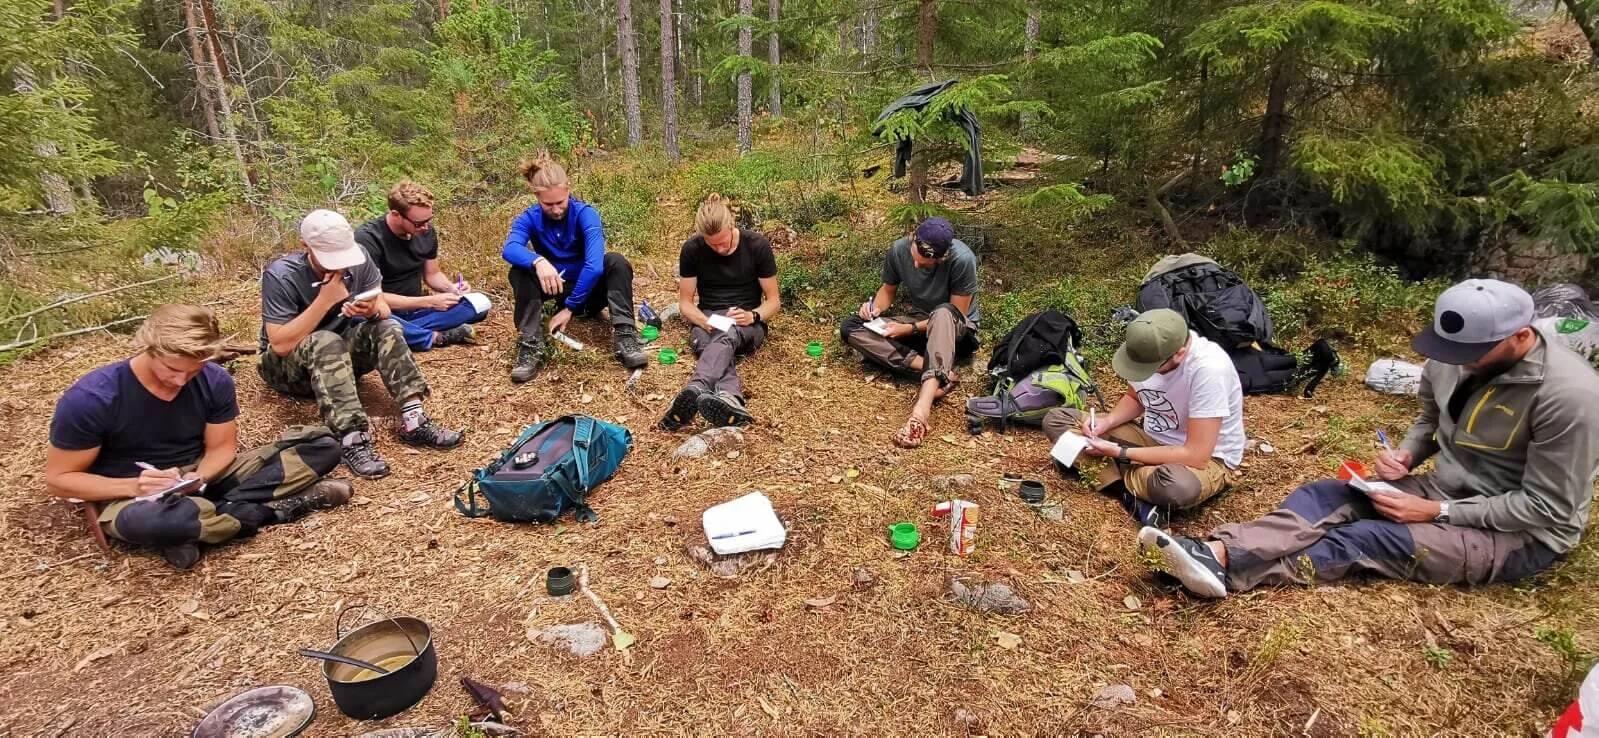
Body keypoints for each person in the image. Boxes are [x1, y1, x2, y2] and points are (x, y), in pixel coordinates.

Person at [1141, 279, 1599, 599]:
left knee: (1366, 538)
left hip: (1518, 534)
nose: (1458, 362)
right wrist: (1409, 454)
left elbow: (1549, 508)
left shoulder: (1570, 397)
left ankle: (1223, 575)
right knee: (1325, 496)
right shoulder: (1452, 356)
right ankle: (1215, 551)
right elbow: (1432, 417)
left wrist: (1437, 512)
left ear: (1521, 336)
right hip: (1444, 488)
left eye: (1471, 355)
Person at [44, 305, 351, 570]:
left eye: (193, 371)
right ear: (148, 348)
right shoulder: (93, 399)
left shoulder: (213, 380)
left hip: (199, 476)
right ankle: (271, 511)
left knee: (321, 446)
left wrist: (197, 478)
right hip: (131, 495)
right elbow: (60, 479)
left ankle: (201, 522)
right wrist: (134, 486)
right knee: (157, 522)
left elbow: (222, 449)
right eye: (171, 369)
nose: (181, 380)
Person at [258, 209, 463, 480]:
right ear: (305, 246)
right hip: (288, 368)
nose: (339, 266)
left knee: (388, 327)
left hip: (340, 357)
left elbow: (383, 309)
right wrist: (325, 300)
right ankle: (351, 437)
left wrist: (371, 311)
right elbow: (280, 345)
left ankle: (415, 420)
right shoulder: (282, 274)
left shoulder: (359, 259)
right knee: (325, 340)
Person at [1042, 308, 1245, 529]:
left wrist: (1120, 453)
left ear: (1179, 354)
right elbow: (1136, 397)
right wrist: (1107, 422)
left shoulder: (1209, 370)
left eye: (1150, 369)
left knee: (1176, 487)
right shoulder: (1144, 349)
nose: (1143, 372)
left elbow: (1196, 455)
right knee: (1057, 419)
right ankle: (1130, 493)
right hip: (1150, 439)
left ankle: (1104, 471)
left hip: (1205, 460)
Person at [500, 154, 648, 382]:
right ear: (537, 196)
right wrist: (538, 261)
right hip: (555, 290)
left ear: (568, 190)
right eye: (548, 204)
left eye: (560, 202)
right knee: (519, 270)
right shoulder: (529, 218)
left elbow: (594, 266)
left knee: (616, 261)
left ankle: (625, 335)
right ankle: (530, 343)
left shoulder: (585, 214)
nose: (556, 209)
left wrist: (570, 308)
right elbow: (510, 248)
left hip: (588, 293)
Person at [838, 217, 980, 448]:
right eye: (914, 259)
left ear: (941, 258)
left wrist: (909, 329)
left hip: (956, 331)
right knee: (851, 326)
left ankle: (920, 413)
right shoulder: (899, 249)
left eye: (923, 265)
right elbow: (887, 291)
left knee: (942, 313)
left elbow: (958, 314)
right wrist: (874, 309)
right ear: (912, 238)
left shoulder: (962, 259)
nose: (915, 265)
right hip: (917, 321)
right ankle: (938, 372)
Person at [659, 194, 780, 430]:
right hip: (709, 317)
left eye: (723, 242)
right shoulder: (692, 249)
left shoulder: (756, 245)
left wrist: (753, 315)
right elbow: (685, 303)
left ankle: (697, 386)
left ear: (731, 225)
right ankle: (731, 400)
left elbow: (774, 301)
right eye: (712, 244)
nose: (719, 248)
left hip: (747, 322)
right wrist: (704, 321)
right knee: (713, 345)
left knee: (726, 335)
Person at [354, 180, 491, 351]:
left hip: (418, 310)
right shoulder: (368, 238)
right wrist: (429, 302)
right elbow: (372, 297)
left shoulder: (427, 232)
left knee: (478, 306)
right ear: (396, 215)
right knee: (364, 318)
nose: (425, 227)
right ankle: (433, 337)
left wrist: (451, 288)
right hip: (385, 311)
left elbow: (432, 274)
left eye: (428, 220)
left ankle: (408, 332)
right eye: (418, 223)